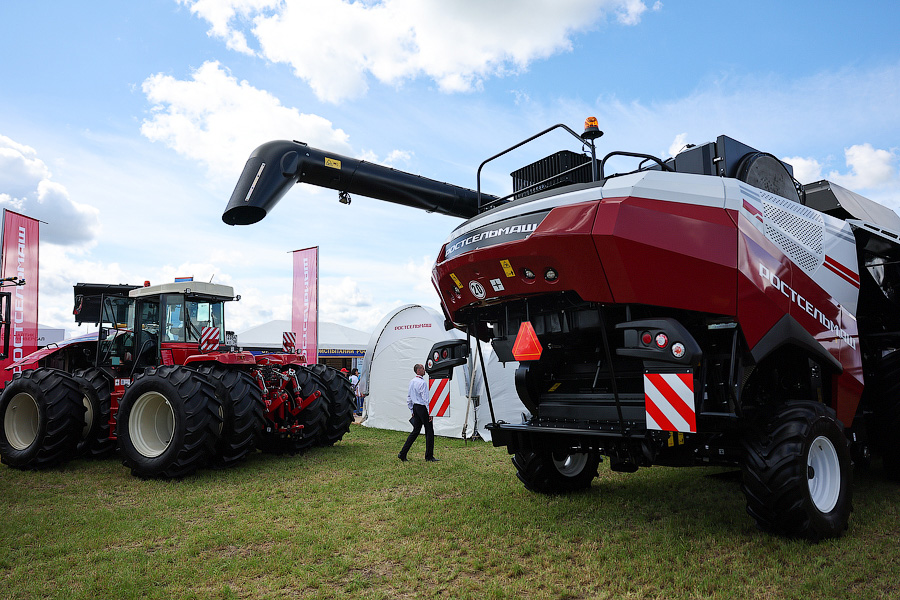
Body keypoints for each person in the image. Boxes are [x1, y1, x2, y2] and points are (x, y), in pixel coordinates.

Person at [398, 363, 438, 462]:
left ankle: (403, 453)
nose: (424, 370)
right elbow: (425, 399)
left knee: (415, 431)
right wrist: (430, 413)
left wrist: (412, 410)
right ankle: (429, 456)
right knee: (429, 431)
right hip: (422, 408)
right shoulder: (422, 383)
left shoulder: (412, 382)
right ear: (419, 370)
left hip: (416, 407)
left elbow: (409, 397)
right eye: (423, 369)